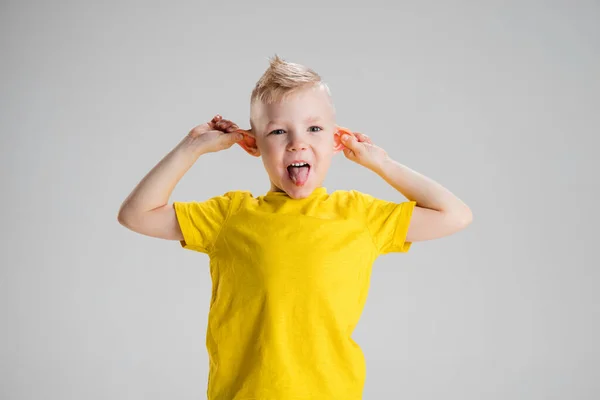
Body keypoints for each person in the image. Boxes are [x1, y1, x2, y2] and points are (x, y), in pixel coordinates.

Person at [118, 55, 473, 399]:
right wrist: (190, 148)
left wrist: (383, 164)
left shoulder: (360, 215)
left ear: (337, 140)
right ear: (252, 144)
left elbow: (454, 214)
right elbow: (137, 215)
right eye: (277, 131)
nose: (297, 142)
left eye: (314, 128)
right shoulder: (230, 216)